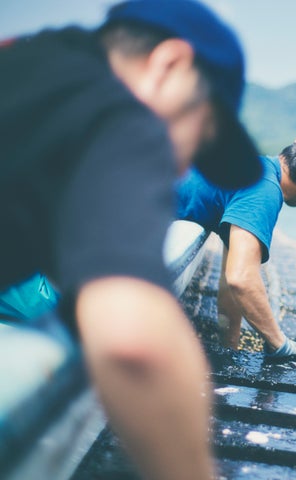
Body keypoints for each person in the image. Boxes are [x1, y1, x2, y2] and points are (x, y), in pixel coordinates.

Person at [0, 1, 262, 479]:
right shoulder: (122, 113)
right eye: (198, 135)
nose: (181, 168)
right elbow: (133, 342)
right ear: (168, 64)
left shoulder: (27, 69)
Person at [176, 127, 296, 359]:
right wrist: (279, 342)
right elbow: (242, 279)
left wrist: (229, 351)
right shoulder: (264, 190)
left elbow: (230, 284)